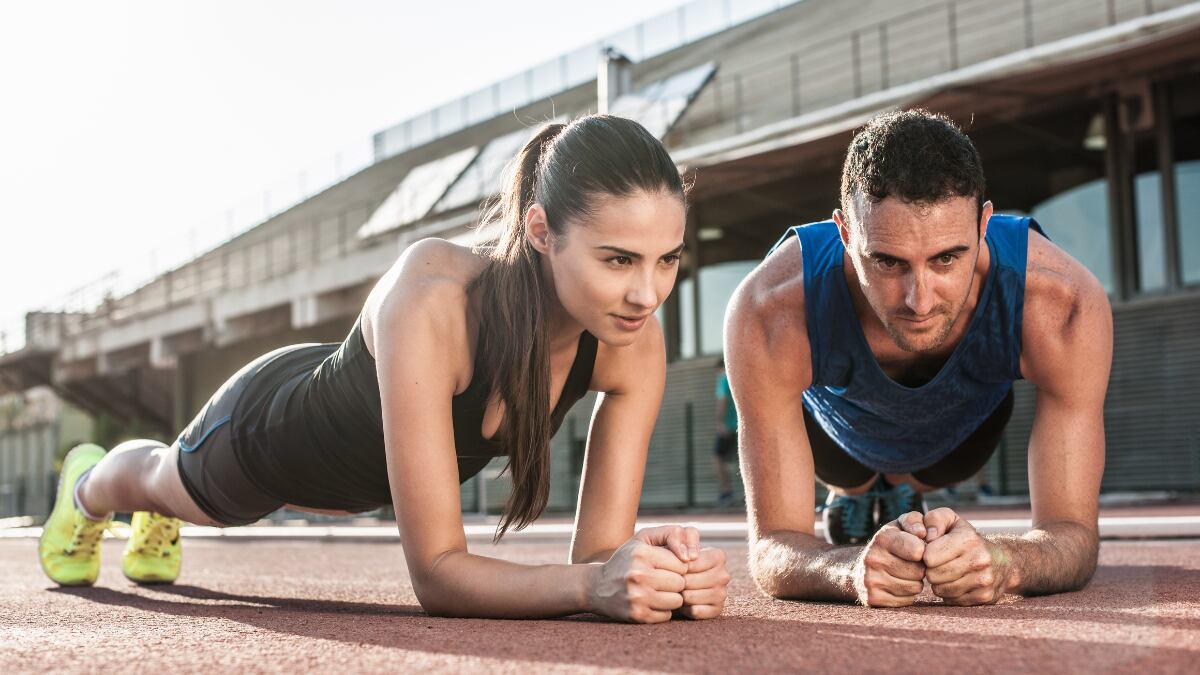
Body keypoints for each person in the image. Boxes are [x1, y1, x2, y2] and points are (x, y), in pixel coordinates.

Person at [39, 115, 731, 623]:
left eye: (667, 259)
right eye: (619, 259)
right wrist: (591, 588)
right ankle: (88, 488)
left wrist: (657, 574)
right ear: (542, 231)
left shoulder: (631, 343)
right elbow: (437, 576)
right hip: (267, 437)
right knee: (162, 480)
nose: (648, 292)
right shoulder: (434, 299)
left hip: (352, 468)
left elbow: (600, 558)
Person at [725, 109, 1111, 607]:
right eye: (888, 262)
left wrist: (1002, 563)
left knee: (923, 481)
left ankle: (900, 490)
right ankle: (855, 494)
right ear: (844, 233)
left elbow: (1074, 535)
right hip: (836, 441)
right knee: (852, 483)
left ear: (984, 225)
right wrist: (851, 571)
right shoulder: (770, 309)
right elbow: (773, 548)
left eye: (947, 258)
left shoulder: (1060, 302)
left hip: (961, 435)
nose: (919, 300)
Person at [712, 359, 739, 506]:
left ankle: (726, 491)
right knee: (743, 460)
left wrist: (720, 422)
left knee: (718, 458)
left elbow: (722, 400)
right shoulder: (738, 377)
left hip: (728, 426)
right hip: (741, 425)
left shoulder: (723, 379)